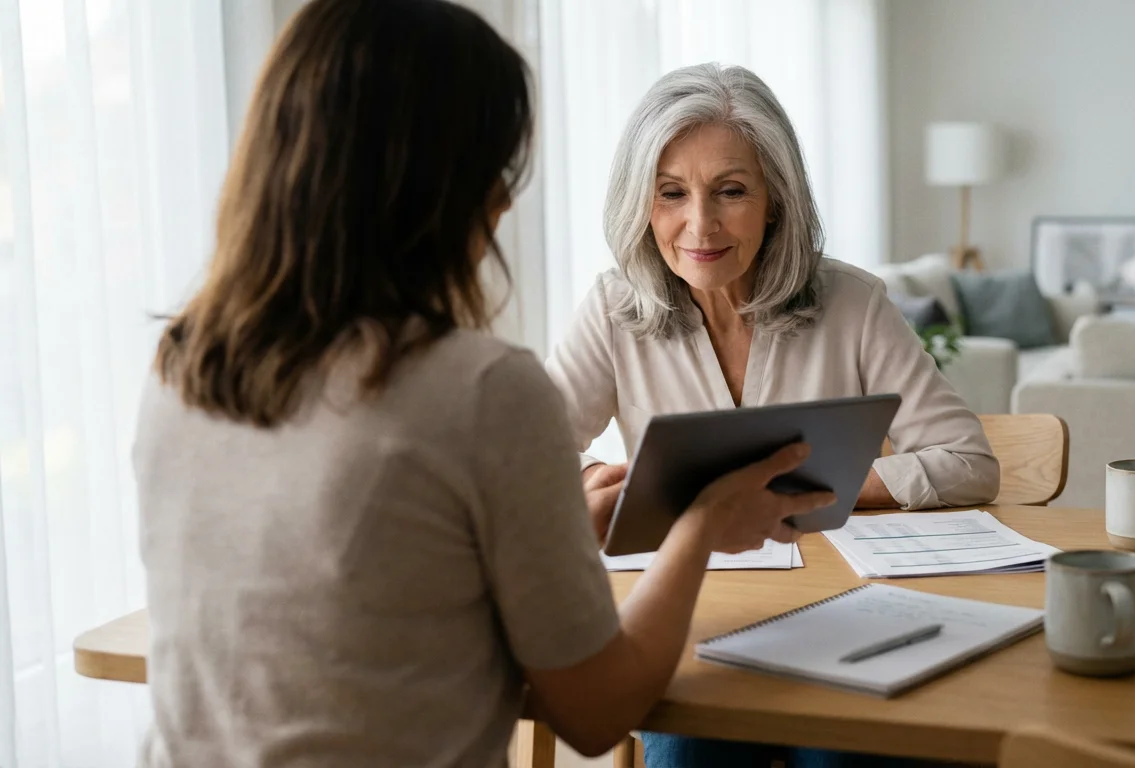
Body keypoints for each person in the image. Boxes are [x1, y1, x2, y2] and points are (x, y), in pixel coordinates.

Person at [131, 3, 834, 767]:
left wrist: (556, 522)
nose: (502, 202)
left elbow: (370, 578)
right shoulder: (483, 391)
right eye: (495, 171)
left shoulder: (183, 364)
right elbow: (597, 714)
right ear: (429, 188)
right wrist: (698, 526)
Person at [545, 63, 1001, 767]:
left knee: (841, 753)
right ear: (642, 202)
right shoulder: (613, 309)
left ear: (776, 202)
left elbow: (969, 463)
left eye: (731, 191)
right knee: (692, 747)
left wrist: (813, 491)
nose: (700, 225)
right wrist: (604, 489)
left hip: (843, 614)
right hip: (694, 619)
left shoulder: (853, 302)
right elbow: (530, 465)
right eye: (672, 193)